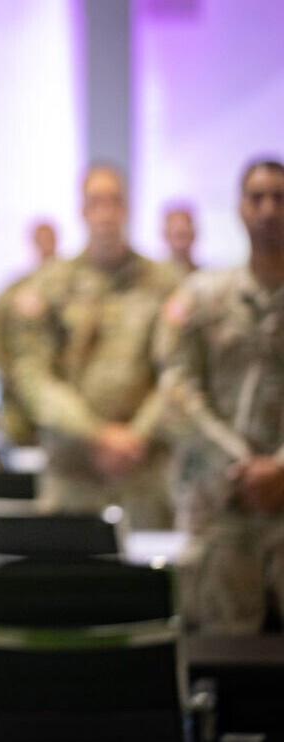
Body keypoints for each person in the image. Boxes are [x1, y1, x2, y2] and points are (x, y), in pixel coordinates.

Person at [6, 164, 180, 529]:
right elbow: (33, 375)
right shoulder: (49, 286)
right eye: (95, 202)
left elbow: (178, 372)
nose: (105, 213)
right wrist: (95, 435)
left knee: (146, 582)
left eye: (114, 201)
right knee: (72, 583)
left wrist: (136, 437)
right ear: (82, 210)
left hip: (144, 474)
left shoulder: (165, 284)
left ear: (128, 208)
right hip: (73, 474)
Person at [155, 158, 284, 634]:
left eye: (279, 197)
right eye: (257, 197)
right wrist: (240, 463)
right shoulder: (203, 297)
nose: (269, 208)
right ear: (240, 208)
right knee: (226, 667)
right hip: (222, 510)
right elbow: (178, 389)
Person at [0, 219, 58, 447]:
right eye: (41, 239)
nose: (46, 245)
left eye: (50, 239)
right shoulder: (13, 292)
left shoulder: (72, 287)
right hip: (23, 399)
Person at [162, 205, 199, 277]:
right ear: (166, 234)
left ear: (193, 234)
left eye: (184, 235)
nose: (180, 228)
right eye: (177, 235)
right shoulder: (155, 277)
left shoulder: (206, 276)